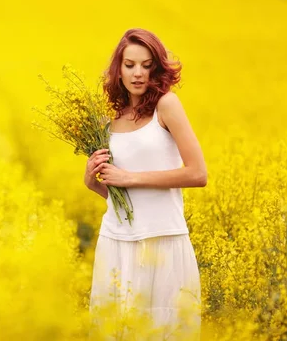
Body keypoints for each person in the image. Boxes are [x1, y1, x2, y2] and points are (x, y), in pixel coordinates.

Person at [84, 28, 207, 340]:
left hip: (161, 241)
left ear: (158, 67)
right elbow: (118, 195)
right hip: (116, 242)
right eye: (129, 65)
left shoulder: (167, 106)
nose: (138, 73)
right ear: (118, 69)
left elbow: (197, 173)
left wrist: (130, 177)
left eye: (146, 64)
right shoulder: (108, 119)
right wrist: (92, 181)